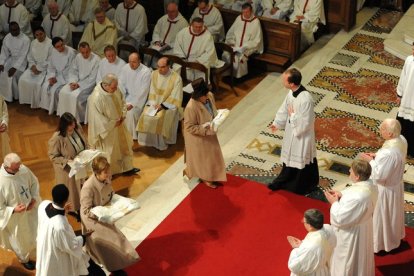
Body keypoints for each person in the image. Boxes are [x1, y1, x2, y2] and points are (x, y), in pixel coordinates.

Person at [80, 156, 139, 274]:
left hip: (105, 211)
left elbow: (110, 193)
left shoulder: (106, 177)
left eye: (109, 171)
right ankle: (115, 267)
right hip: (92, 219)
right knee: (111, 242)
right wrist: (102, 214)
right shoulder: (88, 187)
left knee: (116, 239)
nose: (109, 174)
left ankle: (115, 263)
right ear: (97, 173)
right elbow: (86, 211)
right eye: (105, 172)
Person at [268, 68, 319, 195]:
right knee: (290, 157)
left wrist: (293, 117)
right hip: (292, 131)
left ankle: (299, 185)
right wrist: (277, 123)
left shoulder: (305, 99)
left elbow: (307, 122)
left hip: (302, 135)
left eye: (284, 79)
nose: (282, 80)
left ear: (292, 83)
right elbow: (284, 109)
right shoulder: (291, 93)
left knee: (301, 159)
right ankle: (284, 180)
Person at [360, 118, 407, 253]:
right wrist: (376, 156)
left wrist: (371, 161)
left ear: (391, 134)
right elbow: (392, 163)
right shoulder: (402, 139)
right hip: (395, 185)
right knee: (392, 215)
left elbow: (380, 175)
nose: (380, 131)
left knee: (383, 217)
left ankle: (382, 243)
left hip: (385, 190)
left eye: (383, 129)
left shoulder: (388, 153)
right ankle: (393, 236)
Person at [325, 159, 378, 276]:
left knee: (347, 262)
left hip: (351, 234)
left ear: (358, 176)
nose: (349, 170)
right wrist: (341, 195)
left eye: (351, 171)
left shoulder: (358, 197)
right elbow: (355, 194)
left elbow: (340, 218)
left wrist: (333, 203)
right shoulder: (372, 186)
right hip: (364, 227)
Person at [87, 73, 140, 175]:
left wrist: (123, 114)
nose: (116, 89)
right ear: (106, 85)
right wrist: (112, 123)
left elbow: (122, 101)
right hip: (108, 130)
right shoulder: (97, 97)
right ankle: (110, 172)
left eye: (116, 86)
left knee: (125, 147)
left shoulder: (114, 89)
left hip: (119, 124)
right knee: (112, 152)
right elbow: (96, 118)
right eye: (113, 87)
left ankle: (127, 168)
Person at [36, 184, 91, 276]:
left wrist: (63, 211)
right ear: (66, 200)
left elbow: (50, 219)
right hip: (55, 254)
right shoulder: (59, 225)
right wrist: (84, 237)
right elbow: (70, 245)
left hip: (44, 244)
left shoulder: (43, 204)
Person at [183, 78, 226, 188]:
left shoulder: (209, 95)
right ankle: (206, 177)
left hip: (209, 130)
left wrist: (218, 117)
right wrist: (204, 128)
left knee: (212, 154)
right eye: (204, 96)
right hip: (196, 135)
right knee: (203, 158)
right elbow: (188, 127)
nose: (207, 97)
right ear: (197, 96)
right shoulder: (191, 107)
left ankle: (191, 170)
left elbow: (212, 110)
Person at [0, 153, 40, 271]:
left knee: (34, 231)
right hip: (15, 219)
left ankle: (37, 251)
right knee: (20, 240)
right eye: (16, 168)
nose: (19, 169)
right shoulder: (1, 182)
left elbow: (34, 182)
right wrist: (13, 210)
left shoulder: (22, 169)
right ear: (7, 167)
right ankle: (24, 259)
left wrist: (33, 198)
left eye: (19, 166)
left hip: (30, 210)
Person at [48, 112, 88, 221]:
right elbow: (53, 156)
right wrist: (67, 161)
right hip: (67, 170)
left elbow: (84, 141)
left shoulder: (77, 127)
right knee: (73, 191)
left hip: (79, 165)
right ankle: (75, 210)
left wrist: (88, 151)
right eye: (70, 125)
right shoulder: (57, 138)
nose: (73, 126)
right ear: (64, 125)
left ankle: (82, 207)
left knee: (81, 186)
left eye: (74, 123)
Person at [137, 57, 183, 150]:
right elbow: (152, 92)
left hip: (169, 106)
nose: (159, 69)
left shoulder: (176, 78)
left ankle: (161, 144)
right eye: (158, 66)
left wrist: (162, 106)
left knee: (159, 118)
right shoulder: (154, 74)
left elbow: (175, 97)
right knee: (145, 115)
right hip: (154, 103)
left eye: (162, 67)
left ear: (169, 66)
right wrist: (154, 104)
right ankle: (146, 141)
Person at [56, 42, 100, 123]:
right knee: (63, 92)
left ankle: (78, 119)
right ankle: (65, 117)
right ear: (80, 51)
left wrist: (79, 85)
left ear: (90, 50)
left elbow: (93, 78)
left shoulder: (96, 59)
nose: (85, 54)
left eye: (87, 52)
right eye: (83, 52)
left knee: (75, 96)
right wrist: (73, 82)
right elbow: (73, 71)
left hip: (88, 85)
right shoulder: (78, 57)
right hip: (76, 81)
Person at [287, 209, 336, 276]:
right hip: (323, 270)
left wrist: (296, 249)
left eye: (304, 221)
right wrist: (302, 244)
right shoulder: (328, 229)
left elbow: (295, 266)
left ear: (310, 226)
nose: (303, 223)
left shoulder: (310, 247)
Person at [174, 17, 224, 81]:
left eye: (200, 27)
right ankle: (183, 85)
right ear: (191, 25)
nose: (198, 29)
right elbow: (178, 46)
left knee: (201, 70)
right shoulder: (183, 32)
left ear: (203, 25)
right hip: (184, 59)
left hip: (199, 60)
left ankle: (200, 88)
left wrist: (198, 61)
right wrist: (182, 58)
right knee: (177, 68)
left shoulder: (207, 35)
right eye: (196, 27)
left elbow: (209, 52)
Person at [224, 2, 263, 79]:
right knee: (226, 54)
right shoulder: (239, 18)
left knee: (239, 57)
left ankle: (239, 77)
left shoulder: (255, 22)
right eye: (243, 12)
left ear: (251, 11)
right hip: (235, 44)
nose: (245, 14)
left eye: (247, 12)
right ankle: (228, 74)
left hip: (249, 47)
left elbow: (257, 40)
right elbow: (231, 32)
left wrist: (244, 46)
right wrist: (231, 42)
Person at [39, 36, 76, 115]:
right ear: (54, 47)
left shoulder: (71, 52)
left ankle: (57, 109)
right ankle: (48, 107)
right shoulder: (53, 51)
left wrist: (68, 80)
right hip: (57, 75)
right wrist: (52, 77)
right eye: (58, 47)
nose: (61, 48)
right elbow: (51, 66)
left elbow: (72, 69)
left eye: (62, 45)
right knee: (45, 86)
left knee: (56, 90)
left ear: (64, 43)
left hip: (67, 77)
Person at [118, 52, 152, 140]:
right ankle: (120, 132)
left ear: (139, 61)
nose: (131, 64)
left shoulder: (146, 72)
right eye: (130, 62)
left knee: (130, 112)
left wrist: (133, 104)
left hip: (139, 100)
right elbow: (121, 84)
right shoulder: (125, 68)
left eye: (134, 62)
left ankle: (130, 136)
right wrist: (121, 98)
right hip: (127, 96)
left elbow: (144, 91)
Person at [18, 26, 53, 108]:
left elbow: (50, 60)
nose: (39, 36)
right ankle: (26, 100)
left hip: (44, 69)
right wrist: (33, 66)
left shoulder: (50, 43)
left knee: (36, 84)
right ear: (35, 35)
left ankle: (35, 103)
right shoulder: (33, 42)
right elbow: (29, 56)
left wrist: (39, 68)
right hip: (33, 67)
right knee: (22, 80)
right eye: (37, 35)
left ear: (44, 33)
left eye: (41, 34)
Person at [0, 22, 30, 102]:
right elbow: (4, 52)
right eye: (13, 30)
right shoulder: (7, 37)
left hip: (22, 62)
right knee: (2, 72)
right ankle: (4, 96)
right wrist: (1, 63)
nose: (16, 31)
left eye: (17, 29)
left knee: (12, 76)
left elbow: (23, 56)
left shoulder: (25, 39)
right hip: (11, 59)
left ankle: (14, 96)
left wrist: (14, 68)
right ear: (10, 30)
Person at [396, 43, 414, 157]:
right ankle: (401, 146)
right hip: (407, 98)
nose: (413, 52)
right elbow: (403, 76)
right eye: (413, 49)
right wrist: (399, 94)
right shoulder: (409, 60)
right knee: (403, 125)